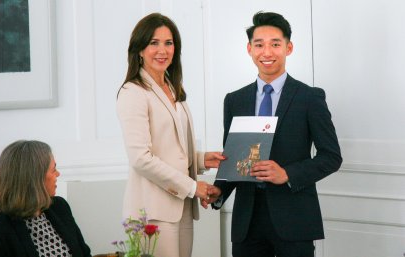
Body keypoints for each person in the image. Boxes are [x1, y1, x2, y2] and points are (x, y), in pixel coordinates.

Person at [202, 11, 342, 257]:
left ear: (288, 48)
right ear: (249, 49)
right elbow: (234, 158)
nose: (267, 52)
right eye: (259, 45)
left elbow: (331, 156)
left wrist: (287, 173)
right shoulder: (235, 100)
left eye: (275, 44)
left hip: (294, 219)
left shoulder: (310, 98)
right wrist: (219, 190)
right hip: (247, 222)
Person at [116, 13, 225, 257]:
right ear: (139, 49)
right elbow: (141, 158)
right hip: (153, 210)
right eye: (153, 42)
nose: (162, 50)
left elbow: (169, 147)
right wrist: (192, 186)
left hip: (182, 206)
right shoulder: (132, 92)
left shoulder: (172, 87)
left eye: (169, 42)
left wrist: (201, 159)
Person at [0, 140, 91, 257]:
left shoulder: (60, 207)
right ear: (35, 178)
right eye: (54, 169)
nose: (58, 174)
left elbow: (85, 253)